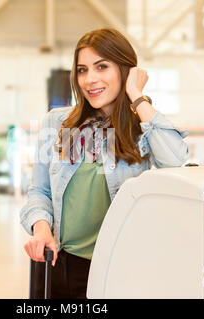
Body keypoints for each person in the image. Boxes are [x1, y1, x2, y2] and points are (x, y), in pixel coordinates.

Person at [20, 28, 189, 299]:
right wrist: (41, 229)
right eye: (83, 70)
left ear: (124, 69)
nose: (90, 79)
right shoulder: (58, 123)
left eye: (102, 67)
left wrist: (136, 95)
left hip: (120, 268)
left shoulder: (141, 129)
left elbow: (177, 161)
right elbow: (40, 192)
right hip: (61, 266)